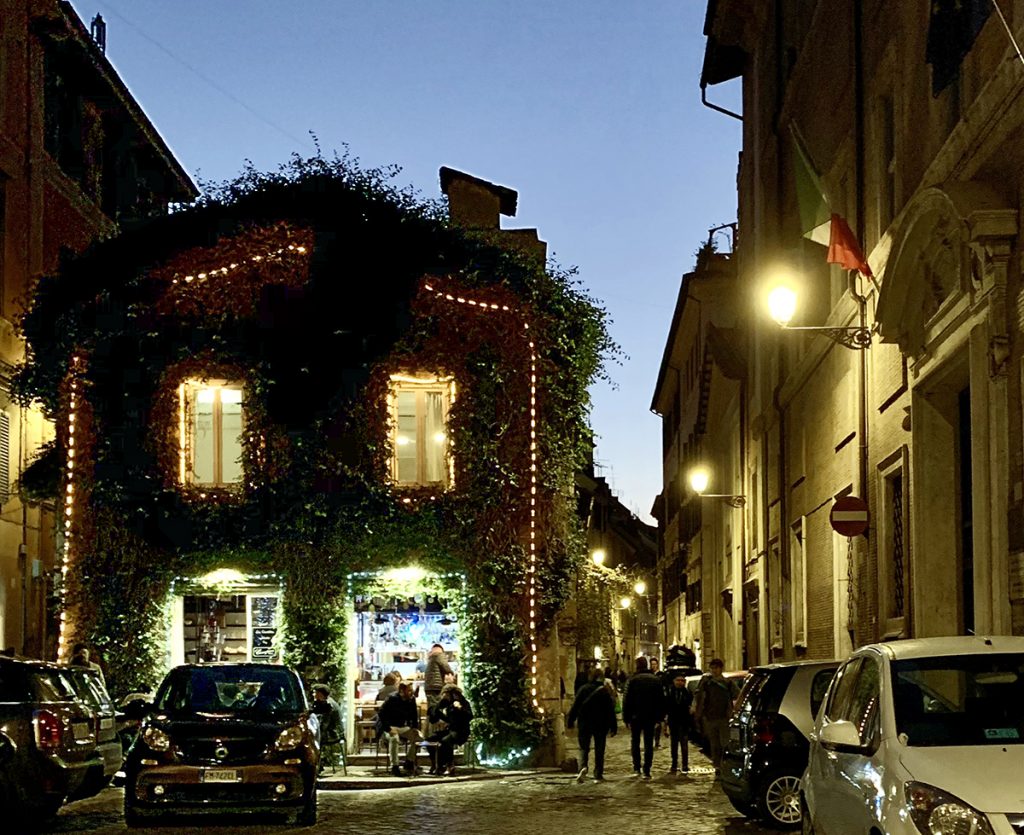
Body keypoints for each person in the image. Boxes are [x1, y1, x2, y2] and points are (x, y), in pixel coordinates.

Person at [566, 668, 617, 782]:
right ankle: (598, 773)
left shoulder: (583, 689)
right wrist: (613, 726)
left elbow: (575, 706)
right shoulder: (604, 691)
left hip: (585, 722)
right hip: (600, 723)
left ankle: (583, 766)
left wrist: (570, 721)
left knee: (584, 747)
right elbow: (610, 710)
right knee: (599, 748)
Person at [621, 656, 665, 780]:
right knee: (648, 743)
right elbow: (660, 700)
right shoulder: (655, 680)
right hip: (650, 716)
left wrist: (626, 718)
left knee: (635, 741)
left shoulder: (632, 680)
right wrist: (659, 718)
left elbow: (626, 700)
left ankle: (637, 768)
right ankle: (647, 769)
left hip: (635, 716)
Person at [694, 658, 740, 774]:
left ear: (720, 669)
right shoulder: (707, 682)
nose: (714, 670)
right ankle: (717, 766)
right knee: (714, 744)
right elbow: (698, 695)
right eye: (712, 668)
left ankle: (725, 764)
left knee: (725, 743)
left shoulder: (727, 683)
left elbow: (737, 695)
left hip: (724, 717)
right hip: (710, 717)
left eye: (716, 668)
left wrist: (733, 710)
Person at [425, 683, 472, 776]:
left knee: (446, 741)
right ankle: (436, 765)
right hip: (450, 730)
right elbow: (433, 717)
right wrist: (436, 709)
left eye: (446, 694)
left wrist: (460, 708)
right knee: (428, 741)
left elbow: (469, 716)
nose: (444, 696)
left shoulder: (463, 702)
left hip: (461, 731)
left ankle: (450, 765)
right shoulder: (446, 702)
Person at [376, 681, 421, 776]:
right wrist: (388, 729)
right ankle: (395, 766)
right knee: (394, 739)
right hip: (389, 727)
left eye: (411, 690)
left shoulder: (411, 699)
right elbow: (381, 714)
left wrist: (415, 728)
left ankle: (409, 761)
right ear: (401, 691)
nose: (411, 692)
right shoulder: (392, 698)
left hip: (402, 727)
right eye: (409, 690)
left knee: (419, 738)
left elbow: (414, 715)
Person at [311, 684, 344, 773]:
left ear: (321, 694)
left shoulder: (329, 705)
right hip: (331, 731)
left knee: (312, 741)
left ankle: (318, 765)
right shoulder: (324, 703)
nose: (313, 695)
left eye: (315, 693)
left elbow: (325, 724)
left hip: (333, 733)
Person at [665, 672, 694, 774]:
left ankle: (685, 764)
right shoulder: (669, 692)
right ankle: (674, 763)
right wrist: (666, 723)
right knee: (674, 744)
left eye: (682, 680)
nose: (680, 682)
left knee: (684, 744)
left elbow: (690, 707)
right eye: (678, 680)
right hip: (673, 722)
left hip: (684, 722)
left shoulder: (687, 693)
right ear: (674, 681)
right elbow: (667, 707)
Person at [423, 643, 453, 711]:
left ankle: (431, 720)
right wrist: (451, 673)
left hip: (428, 686)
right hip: (436, 686)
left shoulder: (431, 658)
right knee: (437, 708)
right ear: (441, 650)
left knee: (431, 707)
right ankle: (435, 721)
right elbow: (445, 666)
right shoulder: (439, 655)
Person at [649, 657, 664, 748]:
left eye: (654, 664)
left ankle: (657, 741)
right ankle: (651, 740)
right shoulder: (649, 674)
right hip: (650, 702)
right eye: (652, 664)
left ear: (657, 664)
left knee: (658, 723)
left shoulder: (661, 675)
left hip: (658, 701)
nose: (653, 666)